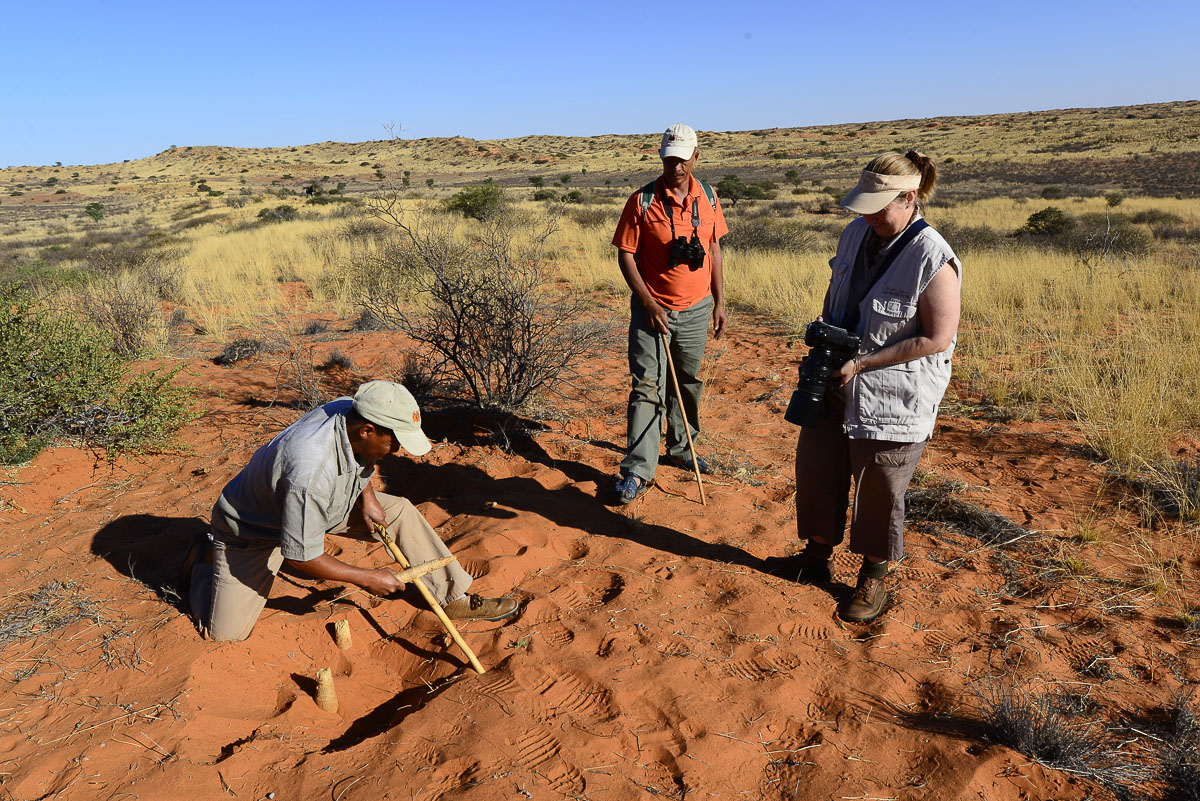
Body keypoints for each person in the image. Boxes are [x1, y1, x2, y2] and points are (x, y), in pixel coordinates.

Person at [186, 380, 518, 641]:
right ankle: (203, 559)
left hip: (322, 504)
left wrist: (367, 494)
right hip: (253, 531)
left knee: (399, 511)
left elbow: (357, 458)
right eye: (396, 441)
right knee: (225, 634)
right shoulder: (310, 473)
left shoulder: (350, 410)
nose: (399, 450)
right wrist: (366, 578)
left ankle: (453, 595)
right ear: (367, 430)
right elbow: (301, 556)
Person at [785, 150, 961, 622]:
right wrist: (825, 329)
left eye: (878, 207)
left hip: (892, 397)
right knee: (819, 470)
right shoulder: (855, 233)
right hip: (835, 382)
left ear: (909, 198)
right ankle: (815, 558)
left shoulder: (934, 258)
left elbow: (936, 337)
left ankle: (873, 578)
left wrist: (862, 363)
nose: (869, 217)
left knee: (879, 486)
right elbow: (836, 293)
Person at [610, 123, 729, 503]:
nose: (675, 165)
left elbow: (713, 251)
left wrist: (720, 302)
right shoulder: (642, 201)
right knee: (647, 386)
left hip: (696, 309)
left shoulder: (709, 197)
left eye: (682, 158)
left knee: (688, 381)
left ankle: (683, 448)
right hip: (652, 310)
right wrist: (647, 302)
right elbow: (625, 254)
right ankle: (638, 470)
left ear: (696, 157)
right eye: (669, 158)